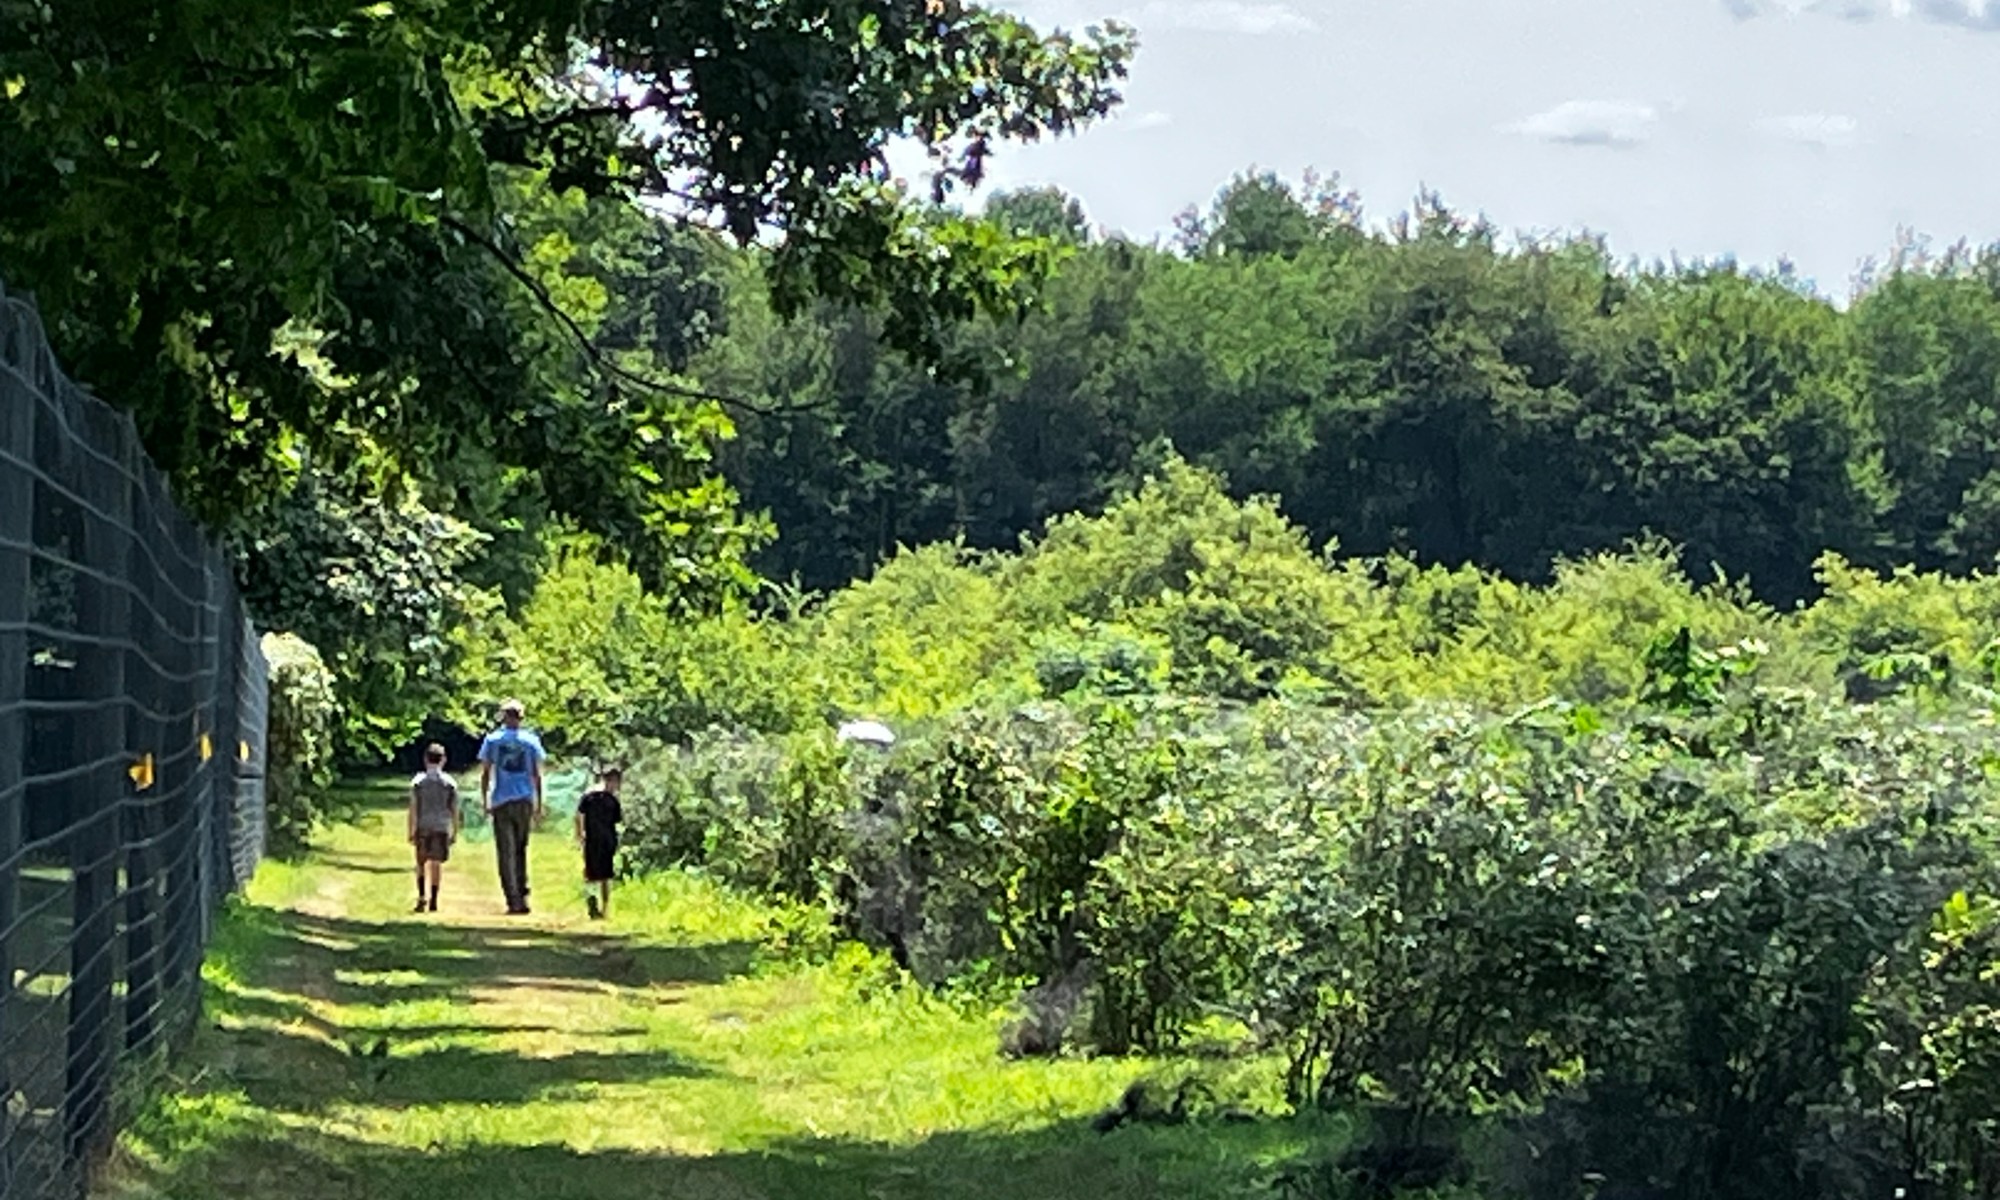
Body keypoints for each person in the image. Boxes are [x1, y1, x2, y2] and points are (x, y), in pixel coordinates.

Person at [478, 698, 545, 914]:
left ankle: (512, 898)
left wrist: (485, 798)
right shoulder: (531, 741)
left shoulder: (492, 740)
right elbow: (537, 774)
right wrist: (539, 802)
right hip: (524, 799)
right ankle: (523, 896)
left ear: (504, 716)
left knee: (505, 851)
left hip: (501, 800)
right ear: (521, 717)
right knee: (521, 849)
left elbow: (486, 772)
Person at [407, 743, 461, 913]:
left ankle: (422, 895)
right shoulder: (450, 783)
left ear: (425, 759)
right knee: (436, 863)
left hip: (423, 825)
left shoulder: (418, 782)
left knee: (421, 862)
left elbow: (414, 808)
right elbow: (454, 810)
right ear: (443, 760)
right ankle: (434, 899)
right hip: (441, 826)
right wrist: (455, 830)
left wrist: (411, 829)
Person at [575, 767, 624, 920]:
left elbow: (579, 815)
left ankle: (597, 903)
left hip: (597, 839)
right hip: (602, 839)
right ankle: (600, 905)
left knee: (595, 872)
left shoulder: (591, 796)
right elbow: (618, 821)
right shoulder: (610, 800)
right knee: (602, 874)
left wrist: (580, 833)